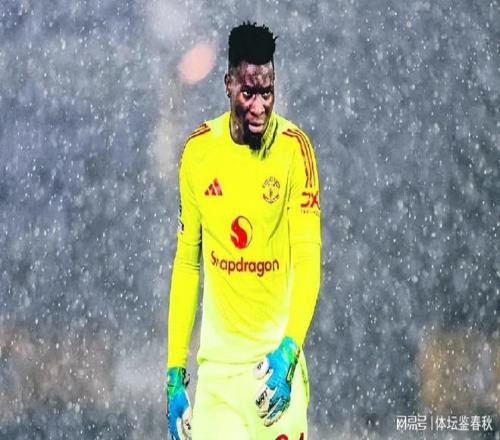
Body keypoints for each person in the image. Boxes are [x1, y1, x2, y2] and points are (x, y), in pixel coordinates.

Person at [165, 22, 321, 440]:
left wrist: (289, 349)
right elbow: (187, 264)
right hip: (218, 378)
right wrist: (174, 372)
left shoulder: (295, 151)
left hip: (275, 369)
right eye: (248, 93)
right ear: (228, 84)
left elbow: (308, 260)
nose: (259, 107)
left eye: (267, 92)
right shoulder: (199, 153)